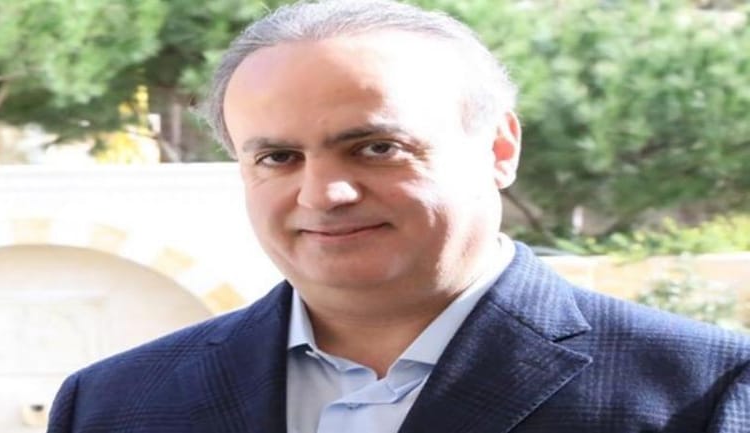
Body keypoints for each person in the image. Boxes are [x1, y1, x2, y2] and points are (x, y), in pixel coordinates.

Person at [47, 1, 750, 432]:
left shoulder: (700, 392)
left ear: (499, 148)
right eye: (279, 157)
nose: (324, 193)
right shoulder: (111, 403)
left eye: (376, 147)